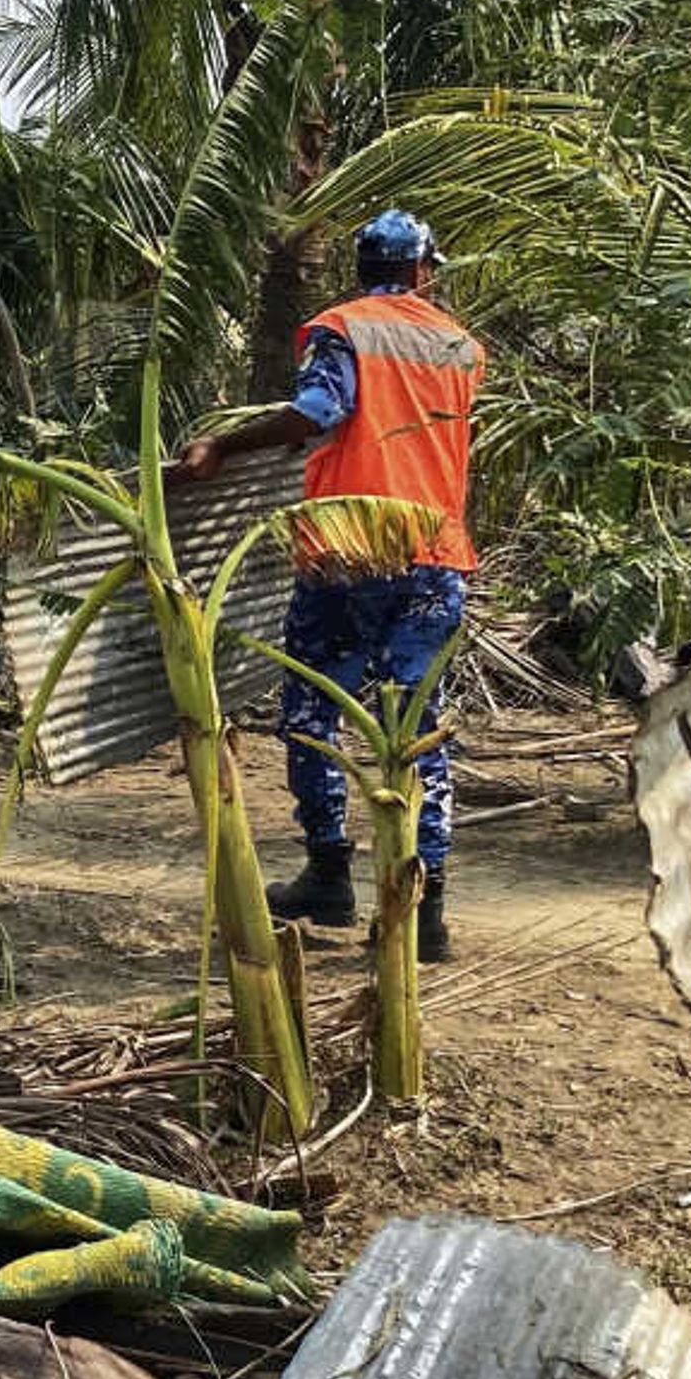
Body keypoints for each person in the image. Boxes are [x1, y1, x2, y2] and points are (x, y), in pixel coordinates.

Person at [172, 208, 484, 963]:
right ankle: (425, 907)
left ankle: (328, 871)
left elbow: (321, 410)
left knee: (314, 712)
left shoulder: (340, 327)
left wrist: (222, 443)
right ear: (421, 271)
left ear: (362, 268)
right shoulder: (460, 346)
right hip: (432, 556)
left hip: (347, 553)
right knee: (416, 727)